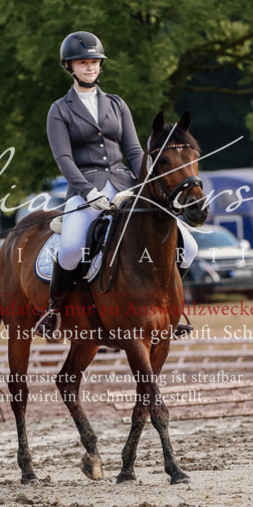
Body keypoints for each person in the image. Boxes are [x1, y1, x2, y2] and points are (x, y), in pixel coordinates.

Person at [35, 30, 198, 338]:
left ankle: (170, 308)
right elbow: (63, 158)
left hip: (125, 185)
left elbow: (135, 150)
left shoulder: (116, 104)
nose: (90, 68)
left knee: (188, 246)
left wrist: (143, 185)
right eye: (82, 63)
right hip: (86, 189)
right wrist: (87, 192)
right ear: (69, 66)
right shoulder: (59, 110)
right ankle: (53, 310)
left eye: (94, 62)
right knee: (71, 249)